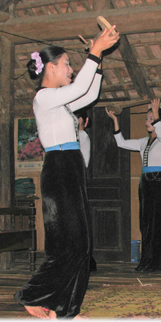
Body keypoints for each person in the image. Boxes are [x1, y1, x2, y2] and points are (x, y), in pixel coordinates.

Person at [14, 26, 119, 319]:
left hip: (70, 166)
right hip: (59, 168)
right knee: (67, 241)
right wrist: (94, 53)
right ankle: (32, 294)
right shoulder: (44, 98)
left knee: (82, 243)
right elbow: (77, 89)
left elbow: (88, 92)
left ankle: (66, 309)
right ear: (50, 66)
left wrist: (99, 59)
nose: (71, 69)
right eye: (67, 64)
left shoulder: (60, 101)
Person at [106, 98, 161, 272]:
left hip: (160, 181)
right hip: (145, 183)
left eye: (153, 118)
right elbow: (121, 142)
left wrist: (156, 111)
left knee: (160, 222)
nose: (148, 122)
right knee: (146, 222)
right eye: (147, 118)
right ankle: (148, 259)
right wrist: (115, 120)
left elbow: (160, 133)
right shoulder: (143, 142)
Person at [74, 108, 97, 272]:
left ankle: (84, 259)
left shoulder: (82, 136)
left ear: (84, 122)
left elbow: (81, 163)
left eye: (77, 119)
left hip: (77, 181)